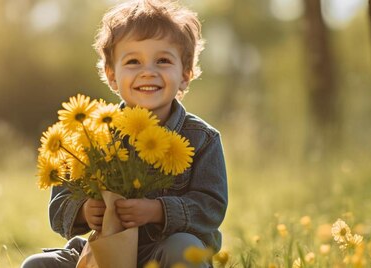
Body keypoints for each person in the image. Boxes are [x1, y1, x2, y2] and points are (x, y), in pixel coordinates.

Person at [22, 0, 228, 267]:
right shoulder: (92, 134)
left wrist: (157, 211)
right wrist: (85, 211)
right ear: (112, 76)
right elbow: (59, 205)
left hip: (162, 252)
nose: (148, 72)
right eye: (133, 61)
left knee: (184, 248)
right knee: (36, 265)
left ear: (185, 74)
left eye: (163, 60)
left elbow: (211, 208)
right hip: (103, 252)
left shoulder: (202, 139)